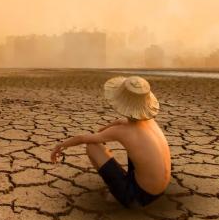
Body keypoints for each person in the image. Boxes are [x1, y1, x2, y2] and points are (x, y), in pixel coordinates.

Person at [51, 76, 171, 208]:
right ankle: (124, 187)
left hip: (136, 197)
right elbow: (121, 121)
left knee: (92, 146)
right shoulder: (150, 122)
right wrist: (104, 129)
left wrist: (60, 145)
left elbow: (82, 138)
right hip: (159, 191)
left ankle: (117, 193)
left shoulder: (123, 132)